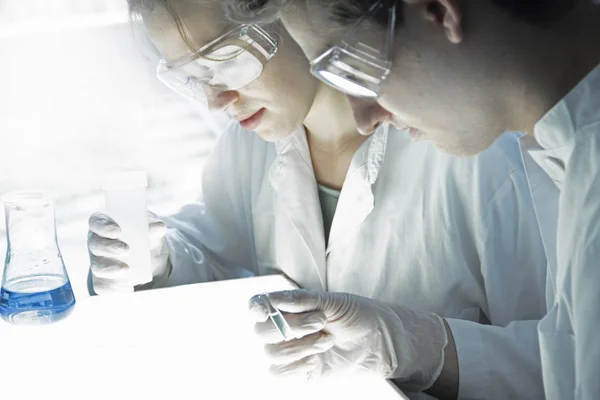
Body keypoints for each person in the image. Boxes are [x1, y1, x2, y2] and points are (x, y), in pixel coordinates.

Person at [87, 0, 556, 398]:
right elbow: (222, 259)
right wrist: (161, 259)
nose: (215, 100)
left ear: (295, 18)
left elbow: (562, 368)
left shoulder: (476, 148)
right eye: (191, 76)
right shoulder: (253, 140)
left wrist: (415, 346)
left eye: (226, 60)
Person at [225, 0, 600, 398]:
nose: (365, 118)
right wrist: (405, 344)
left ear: (438, 11)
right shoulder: (571, 146)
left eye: (350, 67)